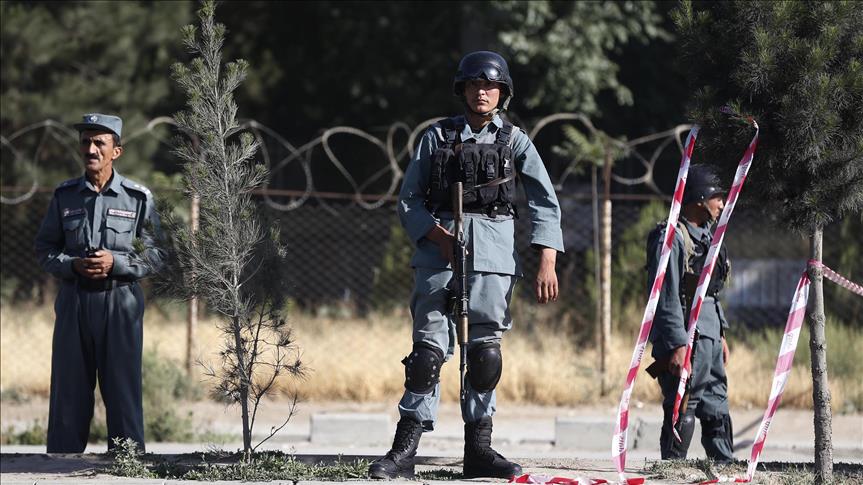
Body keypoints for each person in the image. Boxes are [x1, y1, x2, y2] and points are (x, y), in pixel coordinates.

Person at [368, 51, 564, 479]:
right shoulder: (436, 137)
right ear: (463, 89)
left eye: (490, 85)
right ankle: (404, 452)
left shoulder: (515, 141)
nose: (482, 91)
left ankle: (479, 450)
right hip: (438, 255)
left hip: (493, 257)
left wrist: (547, 257)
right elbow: (408, 199)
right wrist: (434, 234)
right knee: (426, 355)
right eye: (474, 84)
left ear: (502, 92)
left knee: (485, 355)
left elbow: (545, 200)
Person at [35, 113, 165, 453]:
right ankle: (61, 461)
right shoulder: (65, 196)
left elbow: (156, 255)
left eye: (99, 143)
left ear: (116, 151)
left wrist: (116, 262)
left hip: (120, 303)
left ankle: (126, 462)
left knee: (122, 388)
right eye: (85, 142)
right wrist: (73, 265)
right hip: (74, 301)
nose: (90, 149)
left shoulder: (137, 198)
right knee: (69, 389)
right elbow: (45, 249)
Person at [646, 164, 734, 462]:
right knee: (684, 402)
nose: (722, 203)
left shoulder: (709, 237)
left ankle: (724, 466)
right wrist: (677, 345)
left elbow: (711, 292)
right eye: (717, 196)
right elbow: (665, 296)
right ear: (699, 198)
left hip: (709, 337)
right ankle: (672, 468)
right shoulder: (671, 238)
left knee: (716, 405)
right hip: (687, 338)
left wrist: (720, 334)